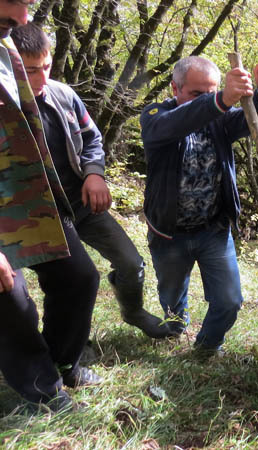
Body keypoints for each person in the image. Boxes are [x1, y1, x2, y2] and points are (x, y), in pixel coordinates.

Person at [11, 23, 170, 339]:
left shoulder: (62, 94)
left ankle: (133, 311)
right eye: (30, 71)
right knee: (67, 281)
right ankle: (65, 344)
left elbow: (91, 139)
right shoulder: (6, 108)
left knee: (131, 263)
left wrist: (95, 173)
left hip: (80, 204)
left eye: (46, 66)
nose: (42, 78)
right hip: (31, 219)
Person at [139, 54, 258, 356]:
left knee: (229, 301)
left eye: (212, 92)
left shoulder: (220, 120)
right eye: (196, 93)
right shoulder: (154, 116)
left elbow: (253, 117)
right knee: (172, 296)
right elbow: (174, 124)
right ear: (175, 88)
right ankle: (176, 327)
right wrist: (219, 99)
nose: (206, 99)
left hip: (213, 230)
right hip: (168, 233)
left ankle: (206, 347)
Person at [0, 2, 101, 413]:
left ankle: (61, 363)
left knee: (80, 278)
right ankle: (42, 391)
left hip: (28, 201)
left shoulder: (6, 45)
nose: (24, 18)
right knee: (11, 299)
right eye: (15, 2)